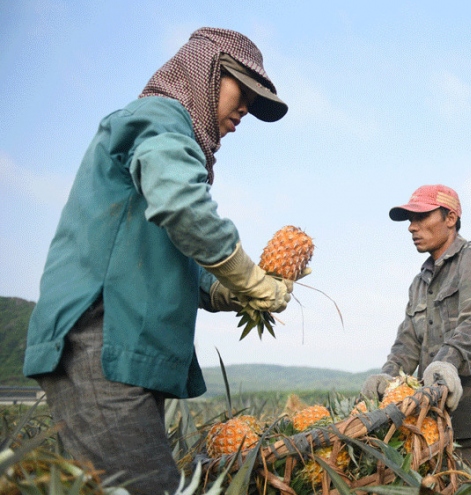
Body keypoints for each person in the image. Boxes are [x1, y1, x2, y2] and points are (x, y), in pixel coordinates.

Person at [23, 27, 296, 494]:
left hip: (118, 348)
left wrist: (224, 291)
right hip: (102, 341)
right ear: (206, 72)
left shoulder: (164, 138)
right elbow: (182, 207)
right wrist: (250, 278)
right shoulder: (161, 117)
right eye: (242, 91)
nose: (246, 110)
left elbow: (167, 259)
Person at [361, 184, 471, 471]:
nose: (411, 227)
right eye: (409, 220)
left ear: (450, 218)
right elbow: (406, 344)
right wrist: (387, 376)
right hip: (429, 428)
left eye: (421, 217)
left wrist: (447, 362)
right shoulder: (419, 282)